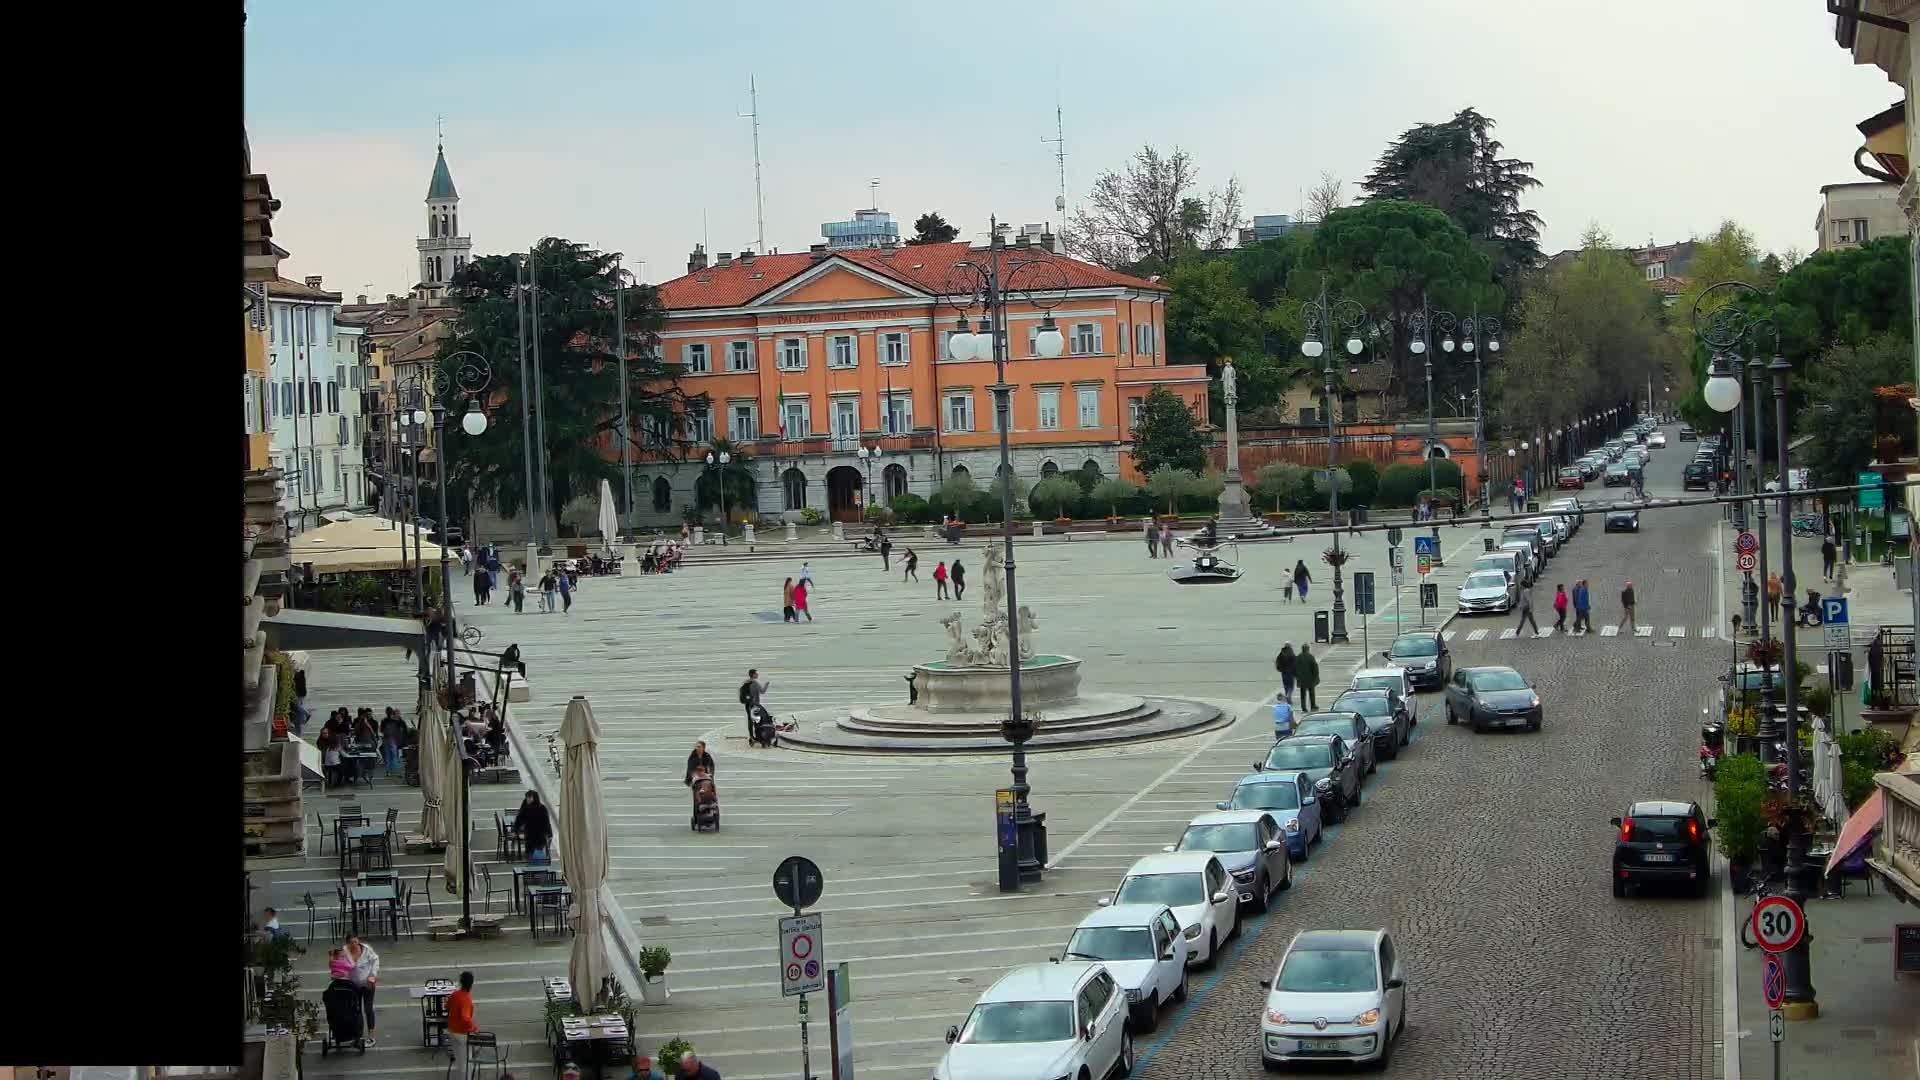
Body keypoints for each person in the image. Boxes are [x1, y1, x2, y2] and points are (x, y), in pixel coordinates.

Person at [344, 932, 380, 1044]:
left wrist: (373, 975)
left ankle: (371, 1034)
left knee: (368, 1009)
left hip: (368, 983)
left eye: (356, 942)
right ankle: (357, 1034)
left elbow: (375, 960)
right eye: (351, 943)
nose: (354, 944)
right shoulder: (345, 952)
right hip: (354, 985)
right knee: (356, 1009)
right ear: (347, 944)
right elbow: (341, 966)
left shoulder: (366, 949)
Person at [446, 971, 477, 1080]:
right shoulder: (466, 999)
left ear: (461, 982)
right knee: (466, 1062)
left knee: (459, 1062)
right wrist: (473, 1027)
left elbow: (447, 1006)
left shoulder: (455, 994)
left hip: (451, 1030)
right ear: (471, 984)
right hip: (462, 1034)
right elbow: (465, 1017)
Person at [516, 790, 553, 864]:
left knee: (534, 853)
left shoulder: (540, 808)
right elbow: (519, 819)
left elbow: (546, 822)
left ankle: (534, 870)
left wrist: (549, 833)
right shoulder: (527, 807)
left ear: (534, 798)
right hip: (532, 835)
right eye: (527, 797)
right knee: (533, 853)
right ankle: (535, 870)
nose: (528, 799)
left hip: (538, 835)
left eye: (529, 797)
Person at [740, 669, 769, 739]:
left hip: (747, 704)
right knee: (757, 720)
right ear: (753, 675)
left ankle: (751, 736)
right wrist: (766, 684)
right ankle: (759, 736)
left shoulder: (746, 682)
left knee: (750, 720)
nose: (757, 675)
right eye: (756, 674)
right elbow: (762, 691)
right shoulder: (755, 683)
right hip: (755, 705)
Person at [1294, 645, 1321, 711]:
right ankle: (1313, 706)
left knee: (1303, 694)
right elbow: (1315, 668)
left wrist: (1297, 676)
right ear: (1308, 649)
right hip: (1310, 679)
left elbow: (1295, 668)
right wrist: (1316, 676)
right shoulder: (1310, 657)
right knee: (1311, 693)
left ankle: (1303, 707)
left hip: (1302, 679)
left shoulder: (1299, 657)